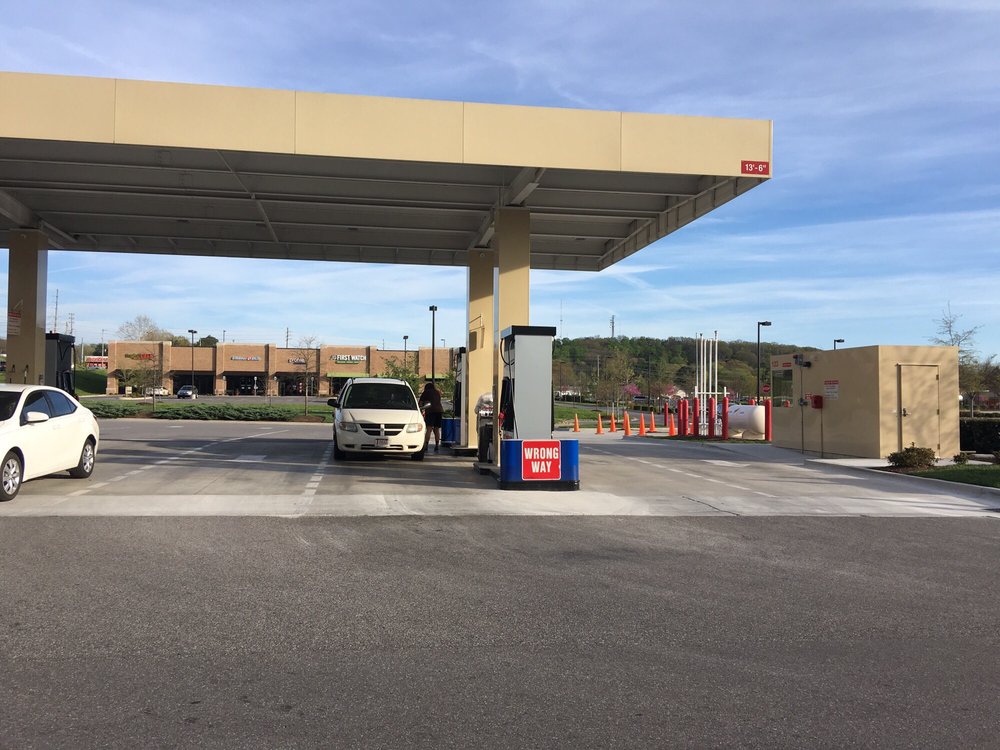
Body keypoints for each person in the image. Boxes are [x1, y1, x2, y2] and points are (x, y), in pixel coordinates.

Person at [418, 381, 444, 453]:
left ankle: (426, 445)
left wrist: (421, 409)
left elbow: (420, 403)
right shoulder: (437, 392)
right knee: (436, 429)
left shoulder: (426, 392)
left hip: (430, 411)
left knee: (429, 428)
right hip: (439, 411)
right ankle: (437, 445)